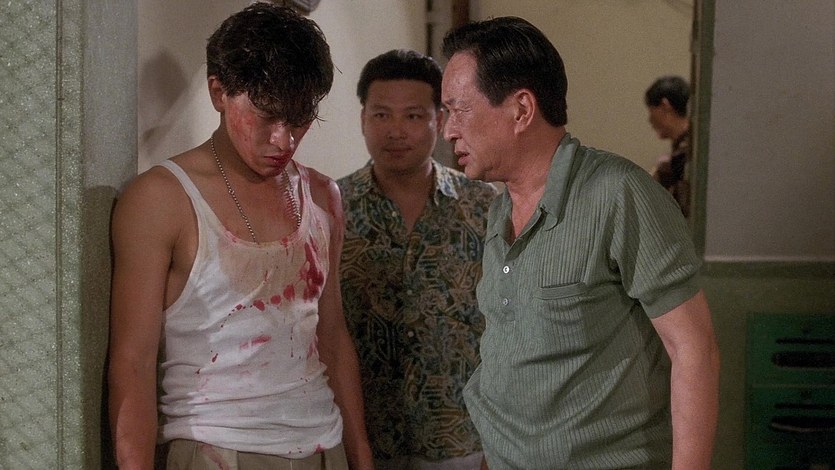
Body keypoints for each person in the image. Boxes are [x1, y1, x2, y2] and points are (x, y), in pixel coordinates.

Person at [441, 17, 720, 470]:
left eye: (459, 110)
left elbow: (694, 350)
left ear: (521, 109)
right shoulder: (499, 211)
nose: (448, 131)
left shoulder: (619, 194)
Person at [107, 4, 373, 469]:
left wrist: (360, 456)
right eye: (266, 116)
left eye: (299, 119)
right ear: (219, 92)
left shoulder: (320, 195)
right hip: (216, 446)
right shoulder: (162, 198)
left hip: (322, 443)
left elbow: (332, 336)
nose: (283, 140)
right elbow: (132, 364)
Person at [338, 49, 497, 470]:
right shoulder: (331, 206)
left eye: (412, 116)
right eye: (381, 115)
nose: (396, 131)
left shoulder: (482, 205)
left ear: (439, 121)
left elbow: (507, 322)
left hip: (463, 439)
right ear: (363, 119)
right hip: (365, 442)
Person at [645, 75, 692, 218]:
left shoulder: (684, 156)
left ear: (665, 107)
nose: (650, 120)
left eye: (651, 111)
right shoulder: (687, 147)